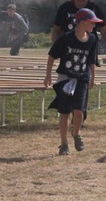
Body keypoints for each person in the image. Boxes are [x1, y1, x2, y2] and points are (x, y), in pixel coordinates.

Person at [43, 8, 100, 155]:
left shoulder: (92, 39)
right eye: (91, 22)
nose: (94, 25)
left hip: (82, 78)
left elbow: (91, 61)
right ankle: (64, 144)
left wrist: (93, 78)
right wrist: (48, 76)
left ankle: (76, 133)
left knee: (79, 112)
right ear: (82, 22)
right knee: (65, 112)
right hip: (65, 78)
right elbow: (51, 56)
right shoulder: (66, 38)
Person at [52, 0, 106, 64]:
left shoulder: (94, 9)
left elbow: (104, 31)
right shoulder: (64, 8)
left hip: (88, 51)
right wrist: (55, 48)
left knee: (88, 75)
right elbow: (56, 30)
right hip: (68, 51)